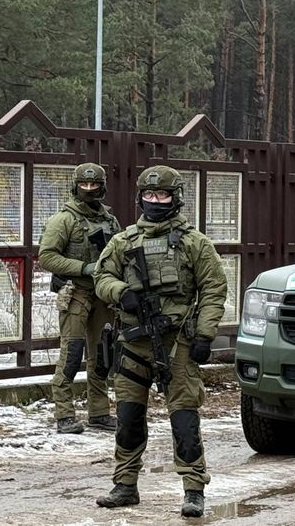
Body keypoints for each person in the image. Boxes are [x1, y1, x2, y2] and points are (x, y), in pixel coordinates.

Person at [93, 165, 227, 518]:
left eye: (162, 195)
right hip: (133, 341)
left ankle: (194, 489)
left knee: (184, 418)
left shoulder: (194, 243)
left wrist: (204, 335)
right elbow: (101, 277)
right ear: (140, 198)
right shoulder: (123, 241)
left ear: (175, 198)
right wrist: (121, 292)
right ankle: (125, 484)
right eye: (149, 195)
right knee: (128, 417)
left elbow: (214, 289)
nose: (155, 201)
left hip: (177, 342)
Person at [38, 162, 121, 434]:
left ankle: (99, 413)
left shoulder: (110, 220)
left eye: (94, 184)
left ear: (102, 187)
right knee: (72, 353)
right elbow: (47, 256)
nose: (89, 189)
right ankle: (64, 414)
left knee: (102, 355)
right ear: (75, 186)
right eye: (84, 184)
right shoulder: (64, 219)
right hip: (75, 293)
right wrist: (84, 268)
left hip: (103, 295)